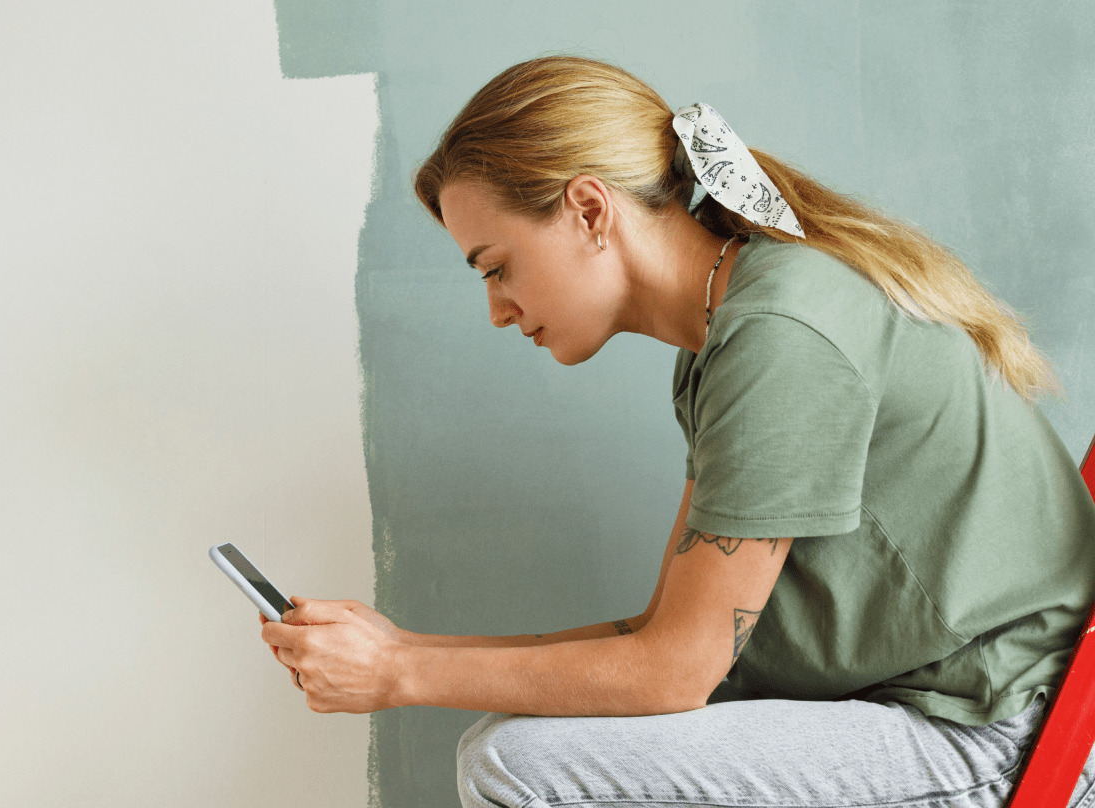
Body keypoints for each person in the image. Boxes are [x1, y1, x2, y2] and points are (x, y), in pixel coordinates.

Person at [257, 55, 1095, 808]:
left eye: (497, 265)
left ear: (590, 210)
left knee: (513, 764)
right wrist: (404, 646)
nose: (497, 309)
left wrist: (402, 673)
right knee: (506, 751)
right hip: (942, 707)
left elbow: (676, 671)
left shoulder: (781, 332)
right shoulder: (727, 336)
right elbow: (670, 636)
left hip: (1002, 729)